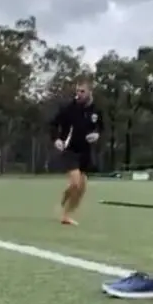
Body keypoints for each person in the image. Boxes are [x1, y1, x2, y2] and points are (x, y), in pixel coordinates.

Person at [50, 79, 102, 225]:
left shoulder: (96, 110)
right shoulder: (70, 108)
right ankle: (64, 214)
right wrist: (57, 139)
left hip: (85, 151)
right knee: (75, 183)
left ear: (90, 92)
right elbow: (54, 124)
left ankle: (66, 210)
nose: (78, 95)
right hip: (70, 149)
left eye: (82, 91)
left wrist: (97, 134)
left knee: (81, 187)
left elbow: (100, 127)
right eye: (77, 91)